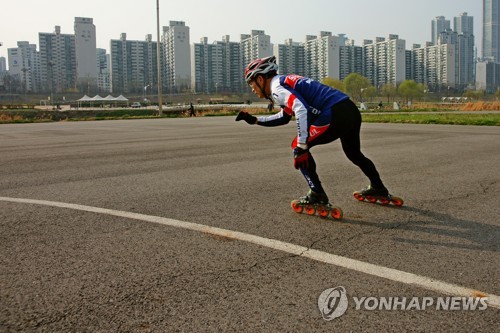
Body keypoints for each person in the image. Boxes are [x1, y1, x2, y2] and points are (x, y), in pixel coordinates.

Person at [236, 56, 393, 206]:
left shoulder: (277, 88)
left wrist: (302, 145)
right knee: (354, 154)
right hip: (348, 108)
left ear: (260, 79)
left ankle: (317, 193)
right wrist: (256, 120)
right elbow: (284, 117)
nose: (253, 90)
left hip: (333, 113)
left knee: (297, 146)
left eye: (252, 85)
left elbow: (300, 108)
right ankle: (378, 187)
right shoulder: (284, 82)